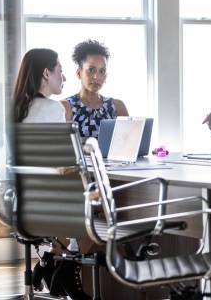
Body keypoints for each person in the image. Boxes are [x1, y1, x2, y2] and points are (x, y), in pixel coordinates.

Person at [12, 48, 90, 300]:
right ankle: (70, 264)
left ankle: (49, 262)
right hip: (49, 204)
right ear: (46, 73)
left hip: (19, 203)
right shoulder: (53, 109)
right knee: (96, 200)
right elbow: (65, 163)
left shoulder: (16, 109)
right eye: (60, 70)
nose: (64, 78)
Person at [64, 39, 129, 138]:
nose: (96, 77)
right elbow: (63, 149)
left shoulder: (118, 107)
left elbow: (128, 147)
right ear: (79, 73)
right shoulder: (66, 107)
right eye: (91, 70)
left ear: (106, 76)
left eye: (102, 71)